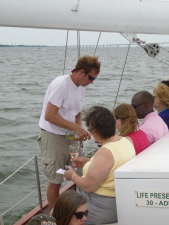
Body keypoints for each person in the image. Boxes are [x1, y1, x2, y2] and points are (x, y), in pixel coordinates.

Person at [38, 55, 101, 210]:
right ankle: (55, 217)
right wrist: (77, 128)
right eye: (91, 78)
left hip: (70, 136)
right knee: (56, 180)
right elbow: (49, 115)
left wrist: (78, 132)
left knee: (81, 171)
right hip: (53, 137)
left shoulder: (81, 88)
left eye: (94, 79)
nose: (92, 82)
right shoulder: (61, 85)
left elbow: (77, 113)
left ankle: (79, 208)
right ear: (81, 72)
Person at [64, 106, 135, 224]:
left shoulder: (105, 152)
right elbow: (114, 164)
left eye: (90, 129)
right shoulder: (125, 141)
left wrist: (72, 175)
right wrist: (89, 161)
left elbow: (88, 186)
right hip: (119, 201)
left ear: (95, 130)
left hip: (100, 206)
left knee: (60, 213)